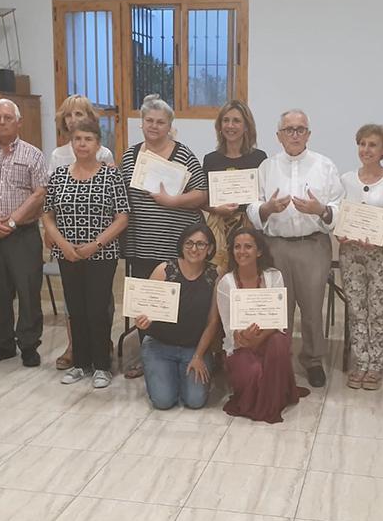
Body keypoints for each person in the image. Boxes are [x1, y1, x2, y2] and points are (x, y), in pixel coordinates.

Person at [247, 109, 343, 388]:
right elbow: (253, 204)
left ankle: (313, 360)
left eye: (300, 129)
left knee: (312, 307)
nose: (295, 135)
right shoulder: (267, 167)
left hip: (312, 245)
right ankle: (279, 357)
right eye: (289, 129)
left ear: (309, 135)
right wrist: (266, 208)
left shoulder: (325, 166)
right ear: (279, 136)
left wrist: (321, 210)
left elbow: (338, 207)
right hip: (275, 245)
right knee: (278, 308)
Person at [120, 94, 208, 378]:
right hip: (141, 244)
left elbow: (203, 194)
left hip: (175, 247)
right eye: (149, 121)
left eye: (161, 122)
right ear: (141, 123)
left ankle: (179, 357)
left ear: (170, 125)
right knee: (148, 305)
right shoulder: (131, 155)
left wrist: (172, 201)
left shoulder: (182, 154)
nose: (154, 126)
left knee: (176, 305)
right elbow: (120, 197)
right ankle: (149, 358)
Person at [42, 115, 129, 389]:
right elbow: (47, 216)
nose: (82, 144)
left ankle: (101, 365)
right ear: (71, 143)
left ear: (97, 144)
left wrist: (96, 244)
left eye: (88, 139)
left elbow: (123, 216)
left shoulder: (111, 175)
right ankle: (81, 363)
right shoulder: (58, 176)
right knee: (75, 310)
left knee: (97, 310)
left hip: (101, 255)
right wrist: (63, 245)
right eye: (77, 139)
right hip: (69, 255)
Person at [0, 98, 48, 367]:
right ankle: (3, 343)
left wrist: (14, 221)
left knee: (28, 292)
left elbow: (40, 194)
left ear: (19, 122)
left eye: (7, 118)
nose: (2, 122)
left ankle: (28, 344)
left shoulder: (33, 155)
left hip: (24, 234)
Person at [207, 227, 311, 423]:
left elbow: (279, 319)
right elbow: (230, 331)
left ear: (259, 251)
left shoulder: (274, 276)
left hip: (269, 338)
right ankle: (266, 394)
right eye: (237, 247)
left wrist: (260, 337)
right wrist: (244, 337)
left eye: (248, 246)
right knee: (254, 373)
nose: (242, 251)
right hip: (240, 345)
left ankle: (272, 401)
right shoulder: (226, 284)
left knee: (279, 342)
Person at [47, 94, 115, 371]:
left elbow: (117, 209)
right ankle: (77, 349)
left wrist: (97, 243)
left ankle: (102, 353)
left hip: (100, 245)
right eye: (69, 116)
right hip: (67, 244)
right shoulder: (57, 158)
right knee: (74, 303)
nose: (74, 121)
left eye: (79, 115)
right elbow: (49, 205)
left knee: (99, 303)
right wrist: (59, 241)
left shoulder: (105, 157)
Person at [337, 124, 383, 390]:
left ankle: (375, 365)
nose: (366, 150)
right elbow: (339, 215)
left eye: (373, 145)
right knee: (355, 309)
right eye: (362, 144)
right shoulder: (347, 180)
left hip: (382, 255)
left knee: (378, 311)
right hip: (351, 253)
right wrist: (341, 233)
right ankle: (360, 362)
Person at [133, 223, 219, 409]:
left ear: (210, 248)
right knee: (163, 402)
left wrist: (198, 356)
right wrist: (142, 322)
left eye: (201, 244)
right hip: (159, 345)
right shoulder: (164, 270)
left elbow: (212, 322)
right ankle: (166, 373)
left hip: (195, 348)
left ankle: (182, 374)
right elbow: (143, 311)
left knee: (195, 401)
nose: (194, 249)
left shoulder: (215, 275)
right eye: (189, 243)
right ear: (181, 245)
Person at [202, 100, 267, 268]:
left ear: (246, 126)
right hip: (219, 226)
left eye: (236, 121)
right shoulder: (211, 159)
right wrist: (216, 209)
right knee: (217, 274)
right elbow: (203, 198)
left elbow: (264, 196)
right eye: (226, 120)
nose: (230, 126)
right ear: (219, 125)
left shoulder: (259, 158)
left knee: (247, 272)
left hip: (249, 226)